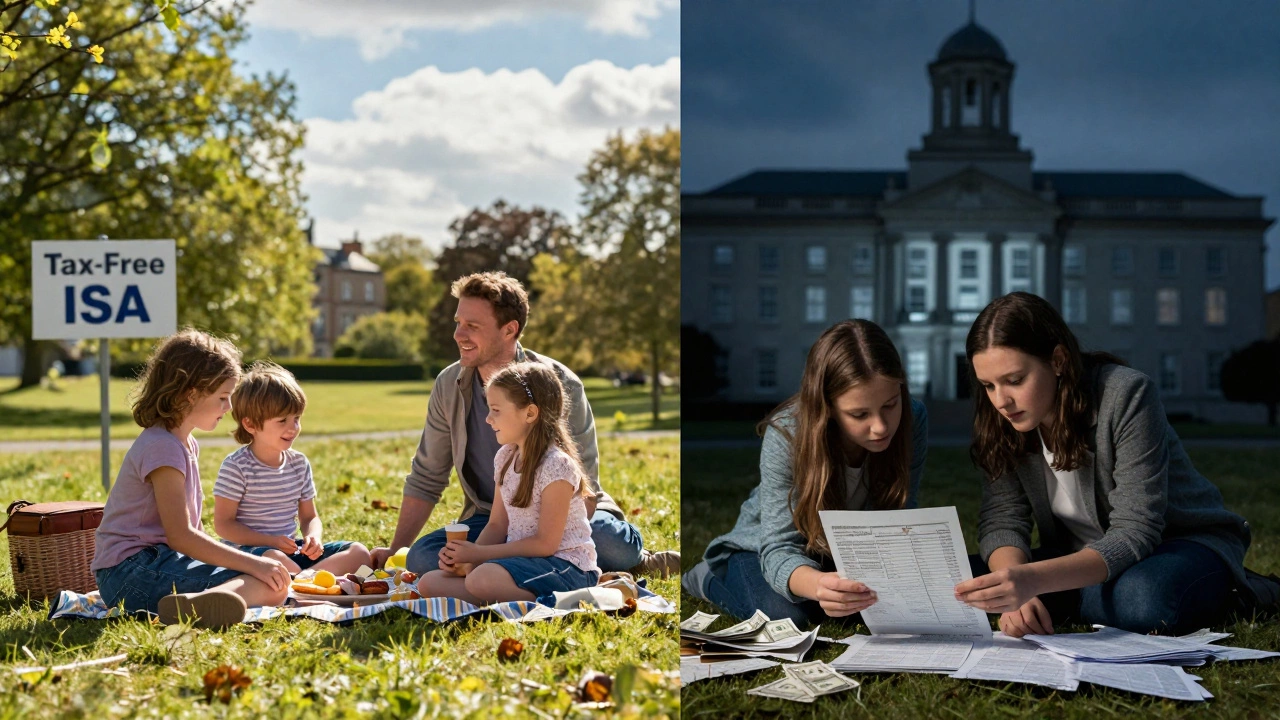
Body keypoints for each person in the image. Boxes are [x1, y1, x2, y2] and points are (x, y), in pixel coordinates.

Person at [954, 291, 1280, 636]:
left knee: (1145, 600)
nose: (1001, 400)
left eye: (1015, 380)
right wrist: (1015, 594)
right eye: (988, 385)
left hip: (1174, 545)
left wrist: (1032, 581)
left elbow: (1136, 530)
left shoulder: (1125, 393)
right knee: (962, 579)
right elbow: (1003, 520)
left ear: (1059, 360)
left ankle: (1241, 590)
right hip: (1078, 554)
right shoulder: (1002, 418)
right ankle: (1072, 595)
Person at [370, 272, 678, 577]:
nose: (458, 335)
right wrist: (394, 552)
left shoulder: (561, 384)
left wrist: (533, 543)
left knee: (612, 545)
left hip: (565, 517)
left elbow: (584, 490)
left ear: (509, 330)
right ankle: (540, 567)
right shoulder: (449, 385)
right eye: (458, 323)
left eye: (472, 326)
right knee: (423, 558)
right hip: (493, 520)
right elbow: (427, 476)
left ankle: (635, 562)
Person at [683, 319, 929, 626]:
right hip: (766, 548)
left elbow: (901, 512)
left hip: (843, 550)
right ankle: (710, 576)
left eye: (890, 405)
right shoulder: (788, 434)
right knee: (788, 616)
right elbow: (778, 547)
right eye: (859, 414)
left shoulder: (913, 419)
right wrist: (819, 585)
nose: (880, 426)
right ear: (827, 408)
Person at [91, 330, 291, 628]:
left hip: (153, 564)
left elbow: (189, 537)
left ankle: (205, 601)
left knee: (270, 566)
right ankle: (210, 602)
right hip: (130, 574)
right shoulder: (163, 447)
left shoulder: (183, 443)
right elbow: (182, 536)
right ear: (191, 393)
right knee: (271, 584)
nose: (229, 408)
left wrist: (253, 560)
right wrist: (251, 563)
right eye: (223, 398)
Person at [419, 362, 599, 603]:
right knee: (429, 583)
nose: (488, 419)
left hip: (567, 568)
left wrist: (480, 554)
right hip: (524, 564)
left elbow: (546, 544)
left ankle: (559, 601)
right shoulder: (505, 457)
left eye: (495, 410)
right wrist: (468, 559)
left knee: (481, 578)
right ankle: (502, 596)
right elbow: (496, 525)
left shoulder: (557, 465)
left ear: (530, 413)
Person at [213, 361, 372, 576]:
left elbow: (309, 517)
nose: (293, 427)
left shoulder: (298, 463)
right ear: (250, 425)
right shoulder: (236, 467)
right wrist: (271, 541)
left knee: (361, 555)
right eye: (282, 420)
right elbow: (224, 525)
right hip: (252, 553)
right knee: (275, 559)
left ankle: (301, 583)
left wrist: (313, 537)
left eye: (297, 418)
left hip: (292, 552)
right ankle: (310, 582)